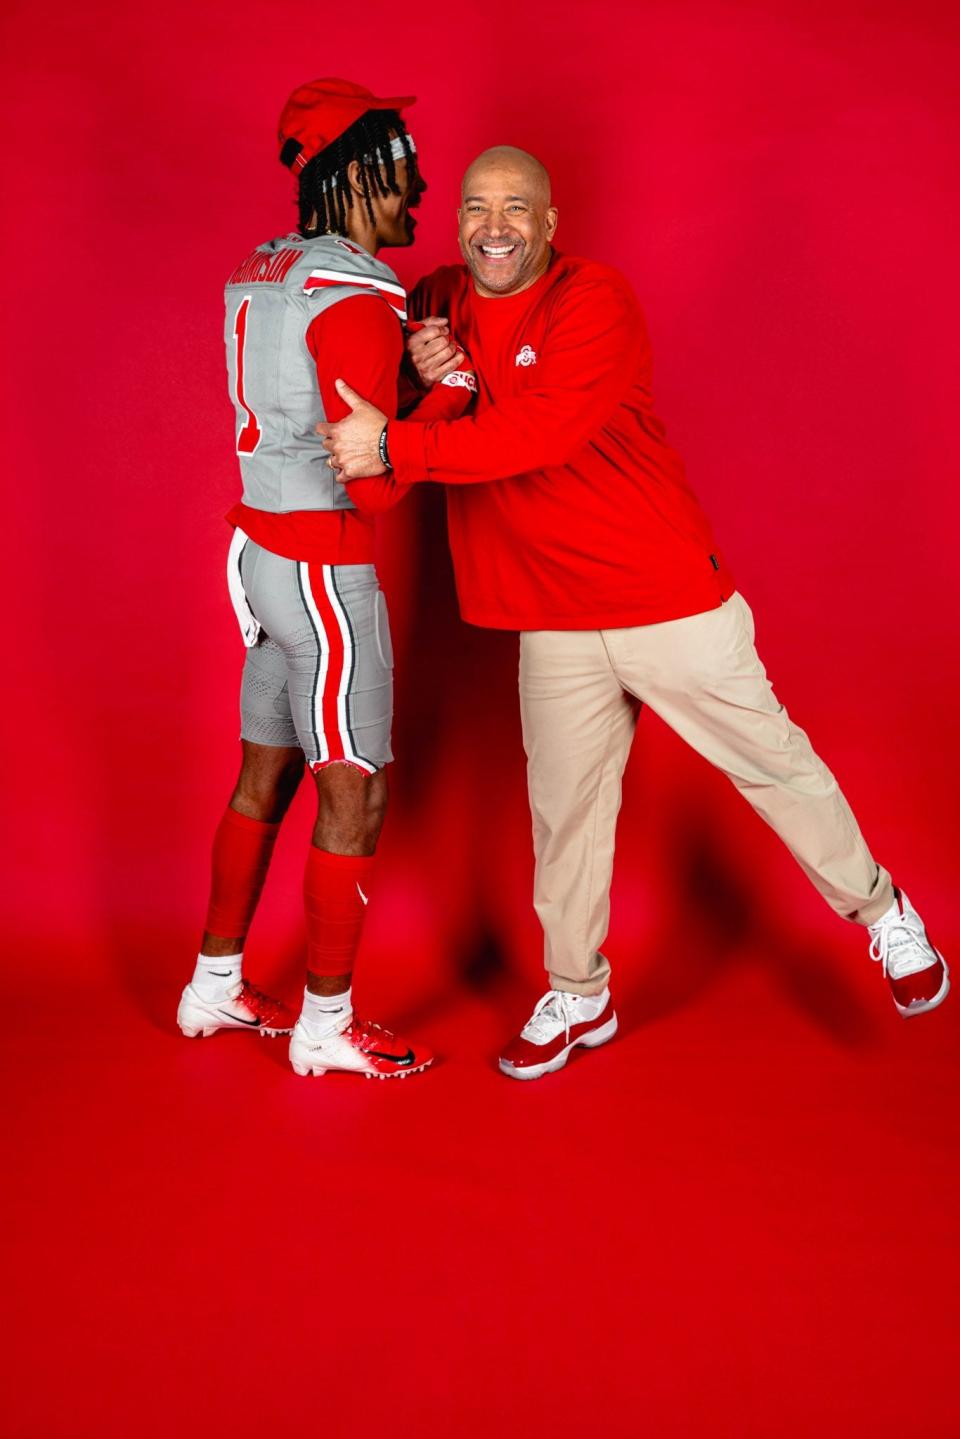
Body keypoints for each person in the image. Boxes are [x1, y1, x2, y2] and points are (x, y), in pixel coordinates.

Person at [319, 144, 950, 1081]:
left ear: (550, 223)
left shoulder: (594, 301)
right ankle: (580, 991)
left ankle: (884, 914)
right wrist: (423, 372)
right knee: (566, 817)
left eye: (517, 209)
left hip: (663, 595)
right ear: (457, 220)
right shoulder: (439, 295)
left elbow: (537, 433)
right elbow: (438, 386)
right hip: (552, 615)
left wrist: (393, 445)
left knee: (775, 766)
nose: (496, 225)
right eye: (477, 206)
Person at [177, 79, 472, 1080]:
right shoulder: (360, 293)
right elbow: (378, 484)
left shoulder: (266, 270)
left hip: (257, 556)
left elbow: (315, 402)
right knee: (358, 795)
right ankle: (325, 1022)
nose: (420, 185)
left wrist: (411, 383)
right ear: (354, 172)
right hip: (324, 568)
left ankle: (213, 984)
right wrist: (451, 398)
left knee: (264, 772)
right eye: (401, 163)